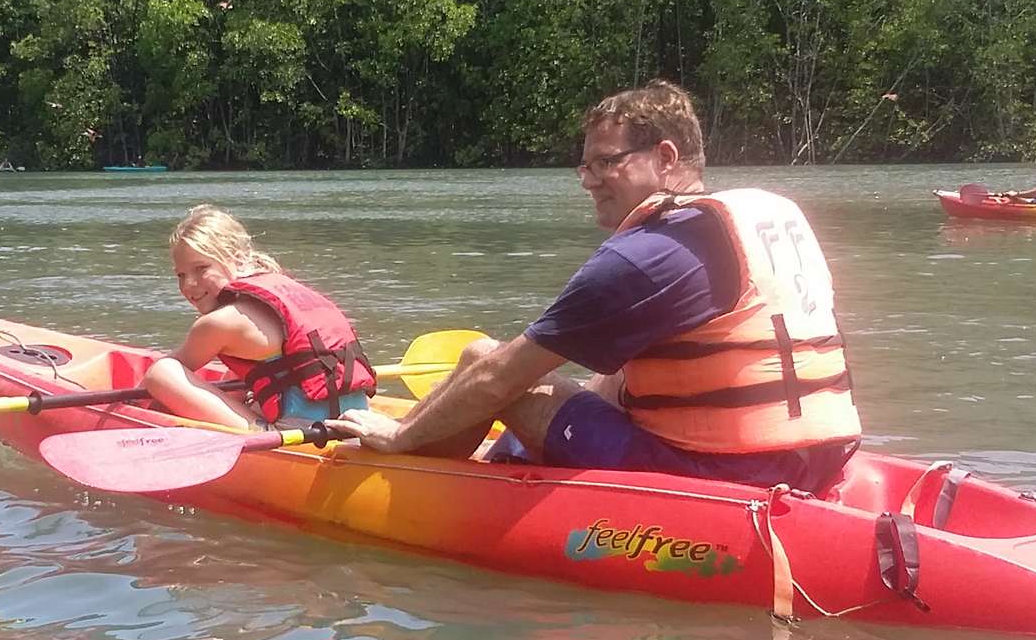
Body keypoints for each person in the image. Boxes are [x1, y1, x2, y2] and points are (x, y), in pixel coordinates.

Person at [328, 80, 860, 494]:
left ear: (666, 159)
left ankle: (417, 484)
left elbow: (497, 377)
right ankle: (510, 460)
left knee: (479, 356)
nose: (587, 180)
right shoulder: (759, 219)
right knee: (558, 390)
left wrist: (399, 432)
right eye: (584, 165)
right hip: (817, 458)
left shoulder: (646, 256)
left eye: (606, 162)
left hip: (724, 477)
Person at [141, 204, 378, 430]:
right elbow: (244, 372)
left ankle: (258, 431)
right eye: (180, 275)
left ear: (239, 259)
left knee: (162, 371)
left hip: (301, 433)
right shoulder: (282, 292)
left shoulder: (218, 323)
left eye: (202, 268)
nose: (189, 284)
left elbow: (159, 384)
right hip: (356, 419)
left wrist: (136, 412)